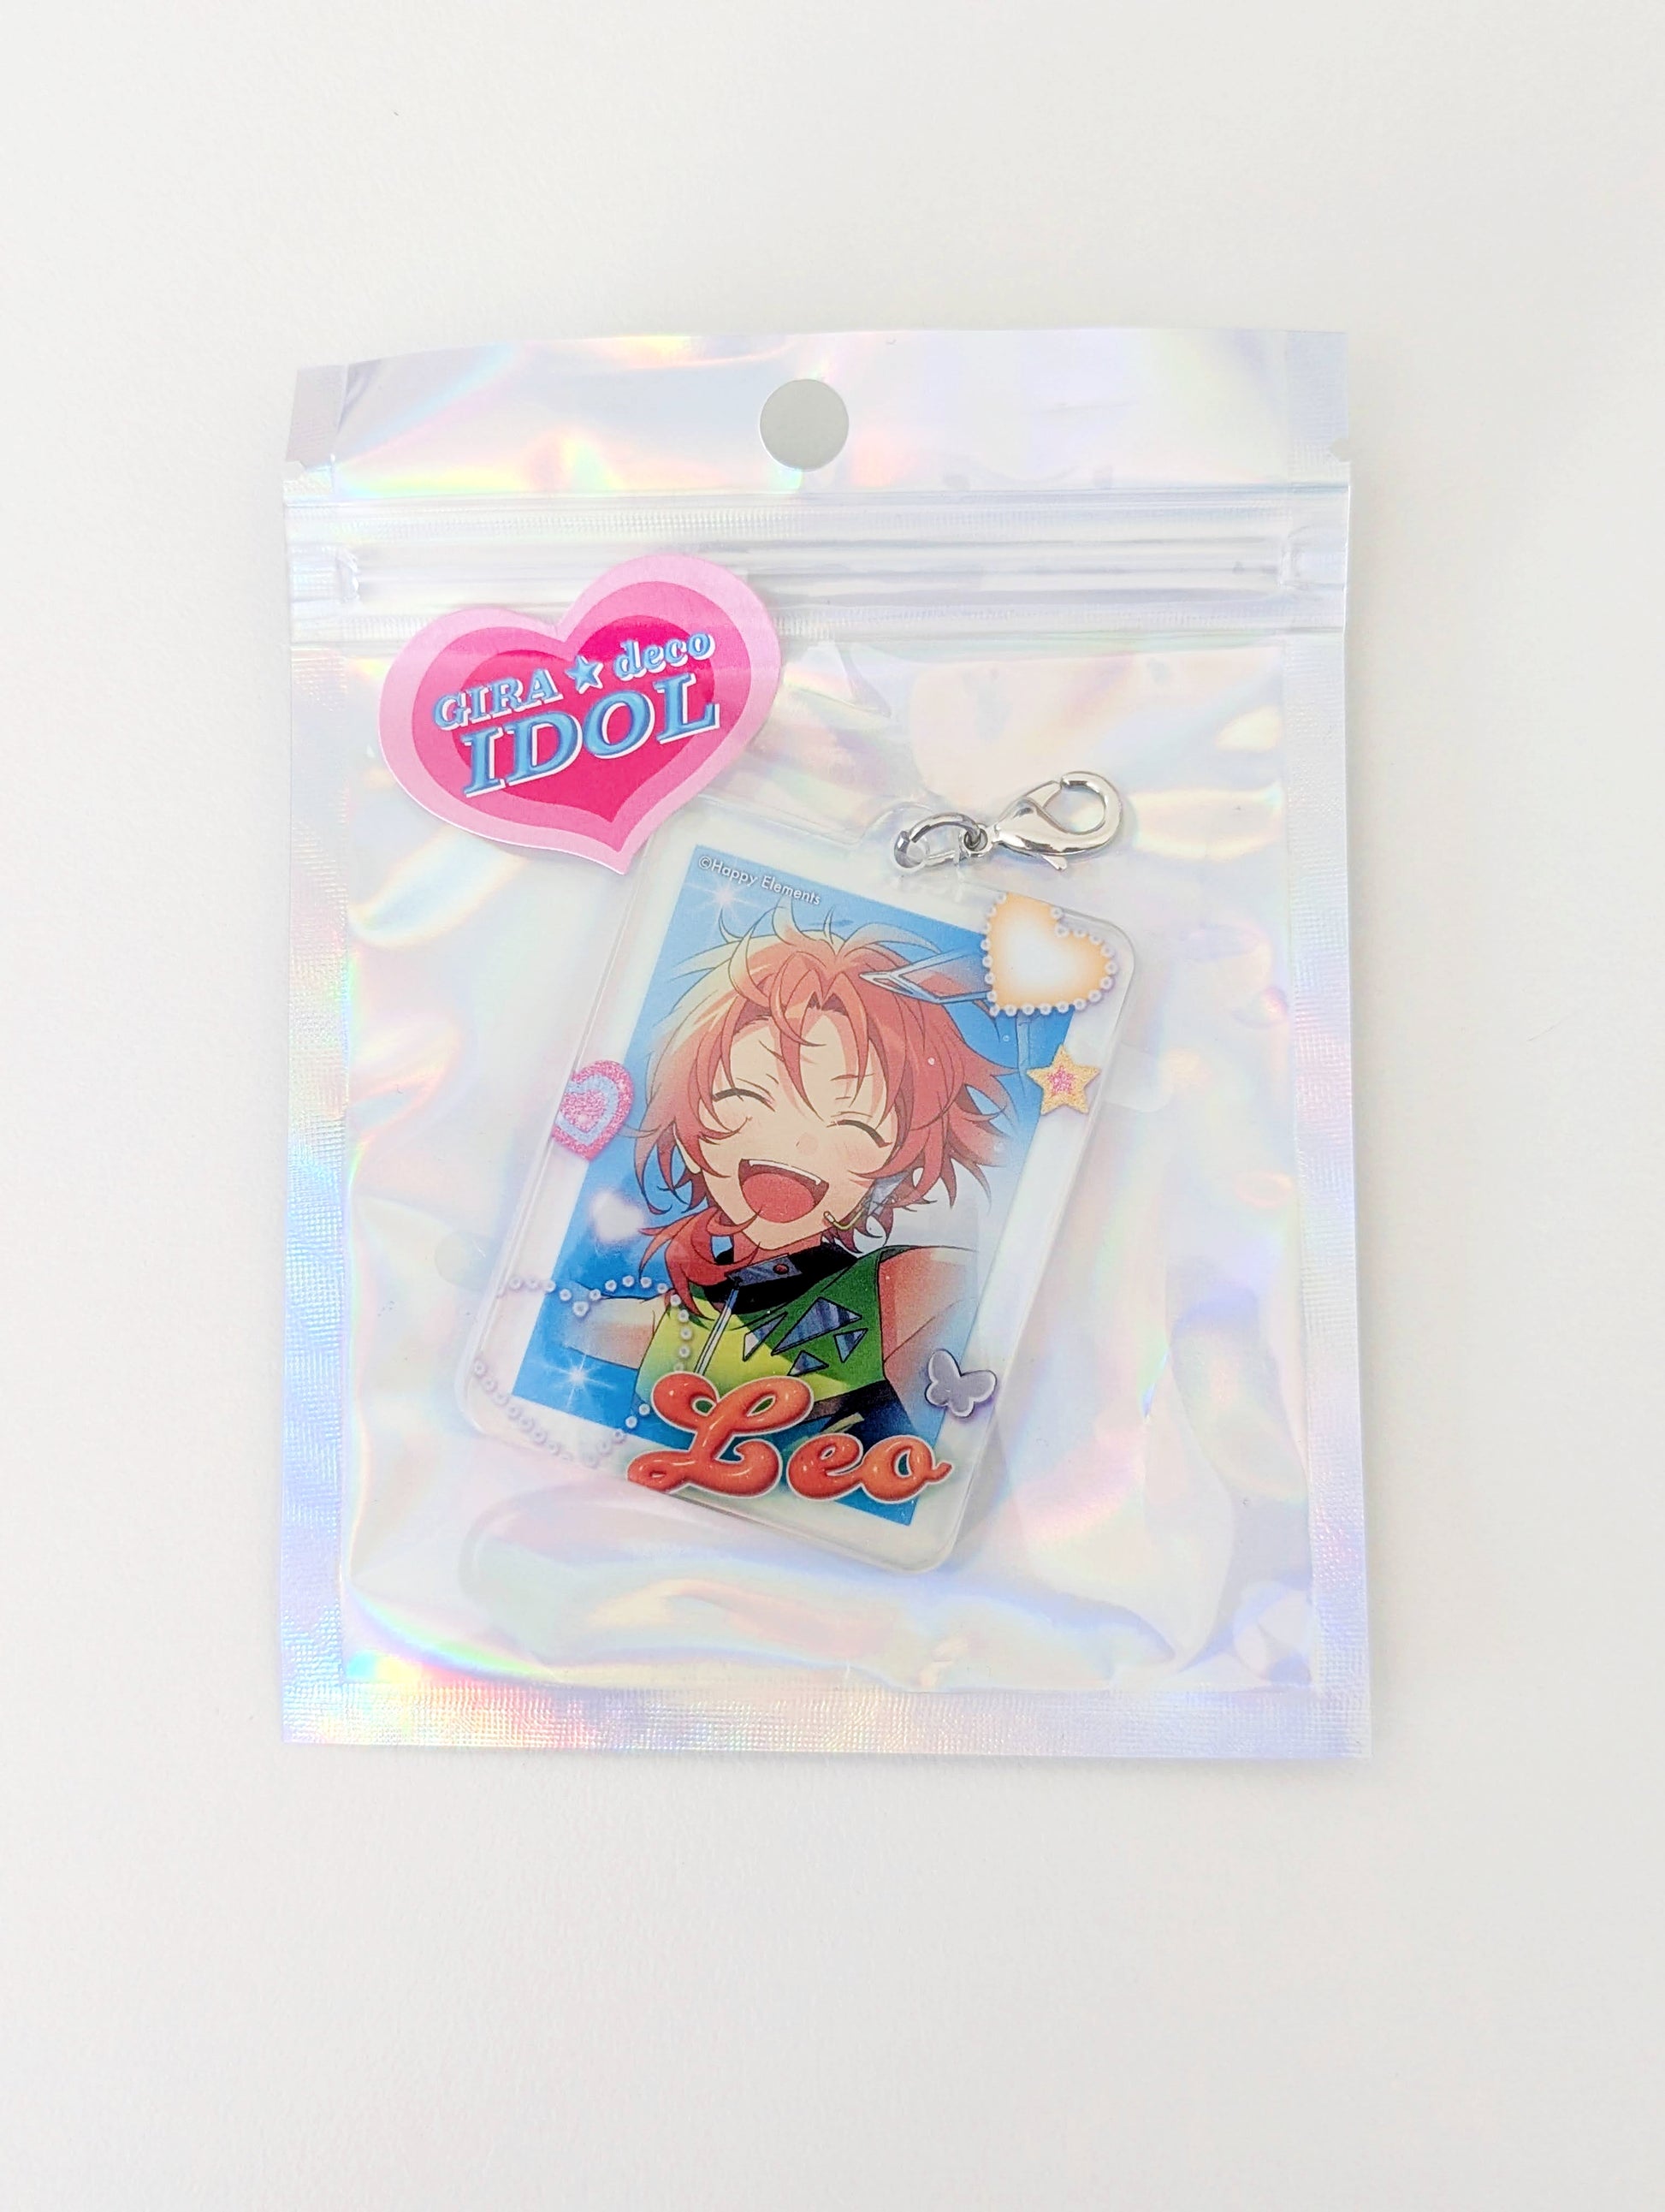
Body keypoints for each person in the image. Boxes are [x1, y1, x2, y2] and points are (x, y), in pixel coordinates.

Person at [566, 907, 1010, 1450]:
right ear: (689, 1126)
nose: (799, 1144)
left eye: (852, 1122)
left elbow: (987, 1279)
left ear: (898, 1161)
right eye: (747, 1097)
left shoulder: (898, 1284)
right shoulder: (682, 1311)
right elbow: (563, 1329)